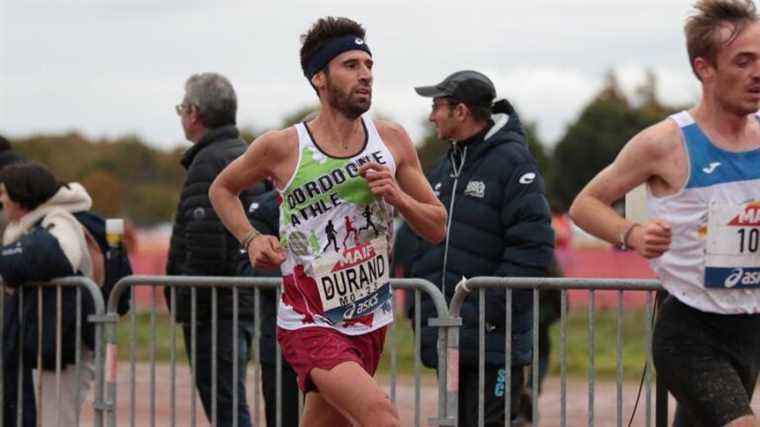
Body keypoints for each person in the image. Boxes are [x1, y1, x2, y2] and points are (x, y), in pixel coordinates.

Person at [209, 16, 446, 426]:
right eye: (351, 65)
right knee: (380, 415)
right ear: (319, 77)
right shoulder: (283, 147)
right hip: (308, 321)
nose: (366, 75)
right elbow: (221, 189)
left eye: (369, 65)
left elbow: (437, 226)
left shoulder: (392, 141)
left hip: (369, 318)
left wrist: (397, 196)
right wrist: (250, 239)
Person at [569, 1, 760, 425]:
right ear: (704, 68)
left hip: (749, 329)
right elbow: (585, 204)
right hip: (691, 332)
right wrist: (631, 233)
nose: (758, 73)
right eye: (743, 61)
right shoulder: (666, 143)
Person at [410, 70, 554, 426]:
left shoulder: (513, 162)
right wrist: (424, 314)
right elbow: (419, 243)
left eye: (437, 106)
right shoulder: (444, 167)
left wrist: (487, 313)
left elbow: (533, 249)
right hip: (452, 336)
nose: (431, 116)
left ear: (461, 111)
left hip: (494, 342)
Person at [165, 72, 267, 426]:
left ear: (194, 113)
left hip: (214, 308)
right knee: (230, 399)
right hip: (241, 302)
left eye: (182, 108)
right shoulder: (243, 153)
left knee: (225, 405)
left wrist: (189, 302)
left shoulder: (208, 162)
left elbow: (205, 244)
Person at [1, 161, 97, 427]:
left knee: (56, 420)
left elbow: (58, 256)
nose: (1, 200)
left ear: (21, 198)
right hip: (45, 340)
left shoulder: (60, 221)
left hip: (62, 345)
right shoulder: (29, 227)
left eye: (4, 193)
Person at [237, 190, 301, 427]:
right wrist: (303, 279)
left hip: (341, 342)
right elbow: (247, 266)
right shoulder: (265, 208)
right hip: (282, 346)